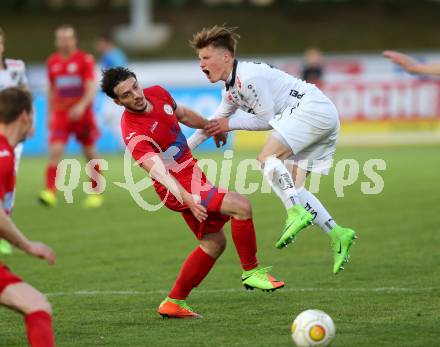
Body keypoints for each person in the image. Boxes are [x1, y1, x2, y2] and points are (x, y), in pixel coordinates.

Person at [100, 67, 284, 319]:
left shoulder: (157, 93)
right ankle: (251, 272)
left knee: (214, 243)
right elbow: (159, 173)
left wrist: (212, 127)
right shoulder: (133, 132)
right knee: (241, 206)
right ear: (117, 101)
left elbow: (184, 114)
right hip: (175, 185)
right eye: (126, 94)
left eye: (135, 86)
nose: (136, 95)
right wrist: (186, 197)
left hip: (191, 175)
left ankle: (174, 302)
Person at [187, 26, 356, 274]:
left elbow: (266, 120)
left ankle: (294, 212)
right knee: (294, 186)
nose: (201, 64)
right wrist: (180, 153)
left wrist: (229, 124)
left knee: (267, 158)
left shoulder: (249, 76)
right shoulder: (231, 91)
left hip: (311, 109)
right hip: (323, 115)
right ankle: (338, 233)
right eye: (199, 59)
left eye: (205, 58)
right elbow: (210, 125)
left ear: (226, 57)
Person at [0, 87, 56, 346]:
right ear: (24, 116)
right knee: (36, 306)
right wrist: (27, 245)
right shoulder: (3, 156)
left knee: (36, 304)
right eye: (33, 114)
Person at [39, 25, 103, 208]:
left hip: (82, 114)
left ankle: (96, 192)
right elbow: (52, 89)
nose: (64, 42)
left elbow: (91, 87)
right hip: (61, 112)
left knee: (90, 153)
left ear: (74, 40)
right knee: (55, 151)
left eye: (67, 38)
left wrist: (82, 106)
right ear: (56, 41)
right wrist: (49, 114)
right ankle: (49, 192)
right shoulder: (52, 62)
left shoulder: (84, 60)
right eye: (60, 38)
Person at [0, 27, 29, 255]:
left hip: (12, 135)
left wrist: (30, 122)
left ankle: (3, 235)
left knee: (9, 182)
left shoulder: (16, 68)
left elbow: (25, 94)